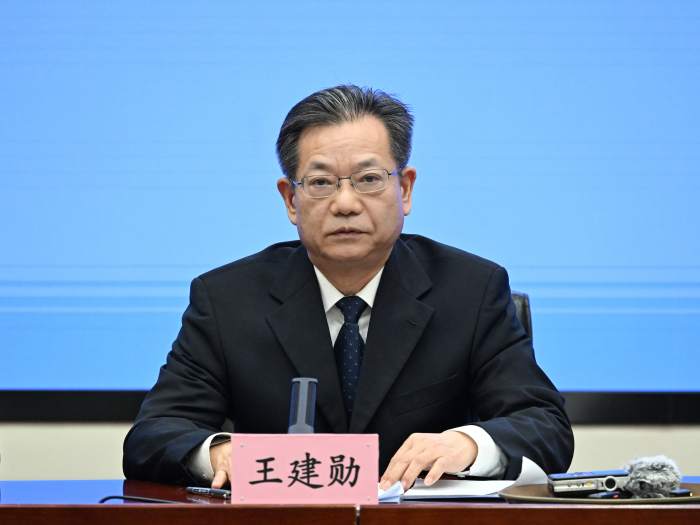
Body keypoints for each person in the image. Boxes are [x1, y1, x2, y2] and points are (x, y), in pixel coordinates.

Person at [123, 85, 573, 490]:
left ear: (405, 190)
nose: (345, 203)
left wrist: (467, 445)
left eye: (369, 179)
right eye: (320, 183)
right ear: (290, 200)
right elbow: (153, 435)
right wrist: (219, 453)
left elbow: (545, 426)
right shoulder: (227, 300)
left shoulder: (471, 290)